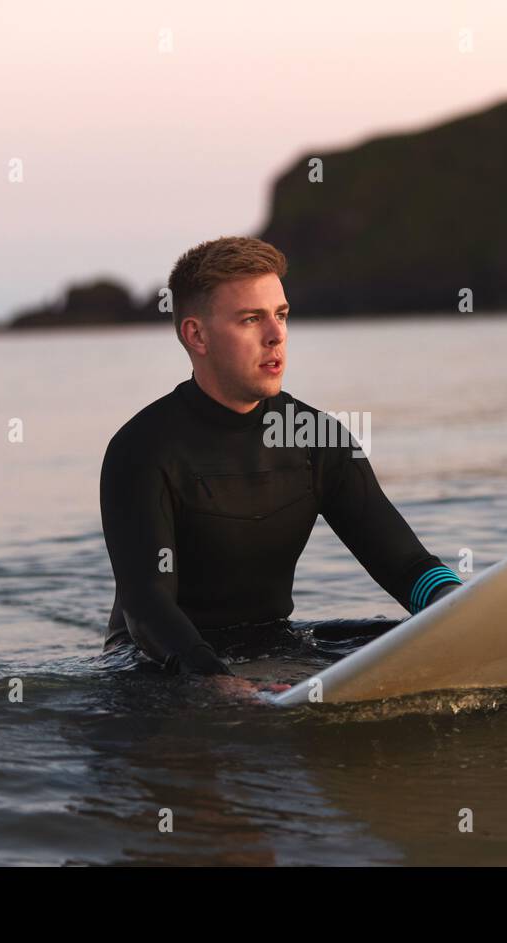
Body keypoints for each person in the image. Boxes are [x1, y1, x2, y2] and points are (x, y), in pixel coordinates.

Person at [99, 236, 462, 685]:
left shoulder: (315, 437)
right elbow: (147, 606)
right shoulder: (142, 449)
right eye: (251, 319)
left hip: (270, 643)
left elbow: (405, 565)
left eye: (281, 315)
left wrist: (462, 611)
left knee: (421, 642)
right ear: (196, 335)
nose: (276, 335)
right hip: (156, 660)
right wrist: (217, 682)